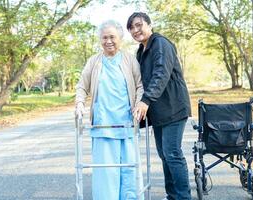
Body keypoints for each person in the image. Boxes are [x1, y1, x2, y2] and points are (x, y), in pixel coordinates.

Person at [75, 20, 144, 200]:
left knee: (128, 169)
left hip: (127, 122)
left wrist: (138, 104)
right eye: (104, 38)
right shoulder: (94, 61)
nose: (108, 41)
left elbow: (139, 86)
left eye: (112, 37)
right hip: (103, 124)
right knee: (106, 172)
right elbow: (82, 86)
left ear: (120, 38)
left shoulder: (130, 59)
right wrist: (80, 103)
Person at [127, 12, 192, 200]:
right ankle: (172, 195)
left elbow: (161, 74)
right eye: (131, 27)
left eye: (139, 25)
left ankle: (183, 197)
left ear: (149, 24)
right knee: (165, 155)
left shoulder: (160, 44)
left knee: (172, 153)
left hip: (174, 107)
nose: (135, 30)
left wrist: (146, 100)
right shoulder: (141, 50)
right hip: (159, 111)